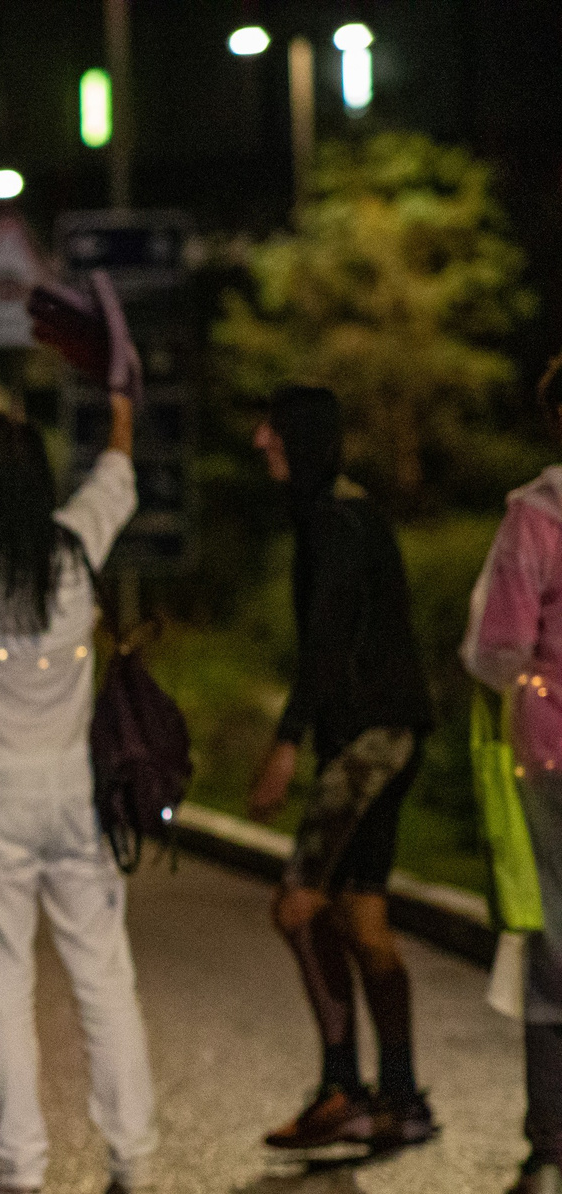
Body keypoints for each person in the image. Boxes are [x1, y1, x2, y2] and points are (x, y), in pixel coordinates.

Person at [0, 394, 159, 1194]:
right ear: (36, 482)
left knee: (2, 985)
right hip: (75, 793)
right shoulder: (72, 551)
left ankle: (20, 1180)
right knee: (105, 977)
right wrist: (121, 410)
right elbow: (117, 478)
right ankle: (133, 1167)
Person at [246, 385, 439, 1151]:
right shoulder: (345, 512)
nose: (260, 440)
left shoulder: (336, 521)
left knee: (296, 906)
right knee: (362, 920)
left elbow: (326, 638)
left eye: (274, 429)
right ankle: (400, 1099)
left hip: (368, 739)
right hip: (392, 731)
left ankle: (343, 1088)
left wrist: (287, 741)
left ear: (303, 438)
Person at [462, 354, 562, 1194]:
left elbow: (499, 647)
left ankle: (549, 1158)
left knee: (552, 950)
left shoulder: (537, 516)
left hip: (551, 756)